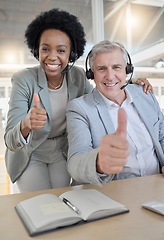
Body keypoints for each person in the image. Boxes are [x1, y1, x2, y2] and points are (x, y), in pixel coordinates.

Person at [4, 9, 153, 192]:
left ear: (71, 55)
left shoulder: (78, 76)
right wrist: (25, 124)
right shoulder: (23, 79)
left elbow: (102, 92)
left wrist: (130, 84)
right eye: (45, 49)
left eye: (61, 50)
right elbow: (10, 139)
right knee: (40, 201)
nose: (52, 56)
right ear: (37, 50)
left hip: (61, 150)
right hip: (31, 151)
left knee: (62, 199)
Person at [66, 40, 164, 186]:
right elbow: (75, 162)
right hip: (114, 192)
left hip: (157, 185)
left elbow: (162, 137)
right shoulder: (80, 108)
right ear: (91, 73)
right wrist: (99, 162)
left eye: (116, 67)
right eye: (101, 69)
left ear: (127, 69)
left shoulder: (145, 94)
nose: (110, 76)